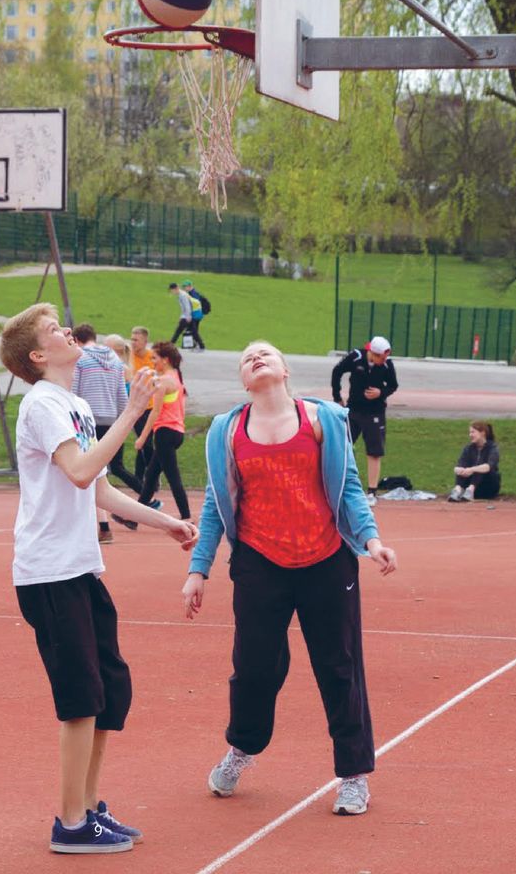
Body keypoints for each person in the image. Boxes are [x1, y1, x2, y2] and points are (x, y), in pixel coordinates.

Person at [0, 302, 197, 854]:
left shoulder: (76, 403)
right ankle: (69, 823)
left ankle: (88, 808)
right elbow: (82, 473)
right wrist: (134, 411)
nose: (67, 331)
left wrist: (165, 523)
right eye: (55, 330)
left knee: (110, 690)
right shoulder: (41, 403)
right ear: (39, 355)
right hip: (48, 573)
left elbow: (104, 491)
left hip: (81, 568)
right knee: (81, 695)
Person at [182, 340, 397, 816]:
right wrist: (199, 569)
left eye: (266, 354)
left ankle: (353, 775)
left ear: (284, 369)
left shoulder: (325, 421)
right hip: (260, 562)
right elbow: (217, 505)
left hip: (326, 558)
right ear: (243, 379)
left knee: (339, 668)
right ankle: (242, 749)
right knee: (254, 669)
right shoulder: (226, 431)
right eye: (246, 357)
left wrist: (372, 540)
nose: (256, 358)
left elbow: (350, 490)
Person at [71, 324, 144, 542]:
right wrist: (123, 422)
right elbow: (122, 395)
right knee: (100, 472)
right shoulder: (115, 361)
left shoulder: (80, 360)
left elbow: (72, 392)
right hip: (111, 420)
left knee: (89, 472)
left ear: (77, 340)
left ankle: (101, 525)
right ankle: (106, 524)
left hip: (88, 419)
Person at [331, 335, 398, 505]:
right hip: (353, 410)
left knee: (374, 452)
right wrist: (337, 397)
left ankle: (372, 492)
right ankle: (339, 486)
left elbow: (393, 385)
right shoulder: (356, 358)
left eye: (385, 358)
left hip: (375, 412)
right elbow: (337, 371)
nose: (384, 361)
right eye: (381, 358)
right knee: (342, 447)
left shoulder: (387, 365)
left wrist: (380, 393)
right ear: (372, 353)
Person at [135, 341, 191, 521]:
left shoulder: (163, 381)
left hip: (165, 432)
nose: (152, 362)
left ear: (165, 360)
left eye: (155, 358)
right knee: (151, 476)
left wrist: (142, 438)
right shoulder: (177, 377)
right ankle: (133, 517)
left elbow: (155, 411)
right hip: (176, 431)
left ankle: (186, 516)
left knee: (173, 477)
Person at [447, 421, 501, 502]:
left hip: (488, 487)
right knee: (464, 468)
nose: (470, 435)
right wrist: (459, 470)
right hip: (468, 486)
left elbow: (489, 467)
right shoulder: (468, 448)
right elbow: (459, 465)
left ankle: (471, 490)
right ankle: (458, 490)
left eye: (473, 432)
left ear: (483, 433)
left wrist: (472, 469)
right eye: (470, 432)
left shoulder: (492, 448)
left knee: (479, 468)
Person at [129, 326, 156, 486]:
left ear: (145, 341)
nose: (133, 343)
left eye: (136, 340)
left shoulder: (152, 357)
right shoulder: (129, 357)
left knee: (145, 442)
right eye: (131, 339)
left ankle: (147, 476)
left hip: (150, 406)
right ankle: (143, 477)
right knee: (142, 442)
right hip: (135, 407)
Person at [168, 282, 205, 350]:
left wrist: (188, 316)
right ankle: (201, 345)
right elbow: (183, 308)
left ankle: (171, 344)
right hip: (186, 316)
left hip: (187, 316)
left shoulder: (183, 295)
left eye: (172, 290)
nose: (172, 292)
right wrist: (181, 316)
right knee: (194, 331)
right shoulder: (181, 295)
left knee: (178, 330)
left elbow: (187, 306)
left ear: (176, 288)